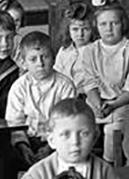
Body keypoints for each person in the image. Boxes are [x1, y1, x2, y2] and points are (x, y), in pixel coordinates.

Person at [74, 0, 129, 158]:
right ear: (96, 26)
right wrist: (97, 104)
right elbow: (90, 82)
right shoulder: (90, 50)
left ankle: (110, 165)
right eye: (103, 24)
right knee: (80, 127)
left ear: (123, 24)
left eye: (114, 23)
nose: (109, 28)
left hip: (122, 103)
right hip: (96, 101)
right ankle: (81, 163)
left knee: (112, 130)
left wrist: (113, 105)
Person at [6, 31, 78, 165]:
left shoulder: (65, 85)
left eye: (45, 57)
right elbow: (15, 123)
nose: (40, 64)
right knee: (9, 158)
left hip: (58, 140)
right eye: (33, 59)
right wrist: (23, 146)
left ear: (54, 58)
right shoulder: (19, 87)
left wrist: (50, 148)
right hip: (28, 140)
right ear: (23, 63)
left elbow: (68, 121)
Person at [55, 2, 95, 85]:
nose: (80, 34)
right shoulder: (63, 51)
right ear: (68, 30)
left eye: (85, 29)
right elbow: (56, 74)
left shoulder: (96, 51)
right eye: (75, 29)